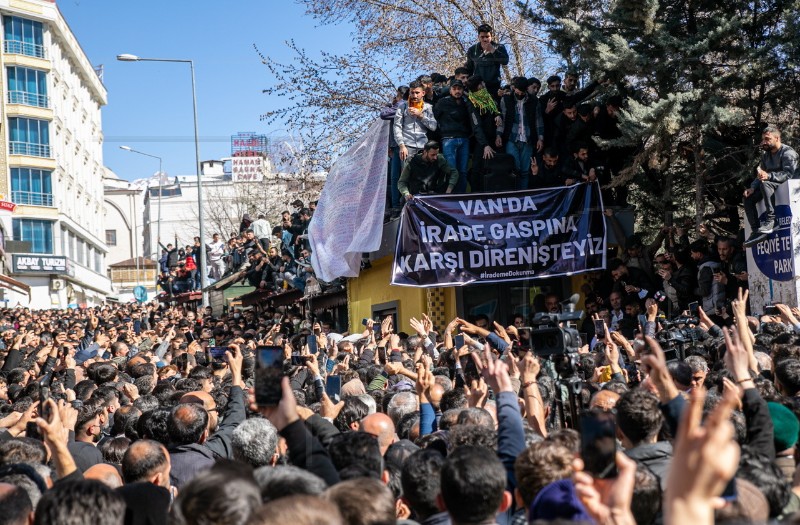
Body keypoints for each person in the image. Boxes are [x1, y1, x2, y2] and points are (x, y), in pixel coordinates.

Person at [744, 125, 799, 246]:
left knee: (766, 184)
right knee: (748, 197)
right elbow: (761, 175)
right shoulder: (766, 156)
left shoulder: (788, 153)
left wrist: (769, 176)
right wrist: (752, 187)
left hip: (787, 188)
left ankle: (771, 220)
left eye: (767, 139)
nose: (764, 142)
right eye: (763, 139)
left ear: (777, 138)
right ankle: (757, 231)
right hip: (770, 186)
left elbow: (788, 174)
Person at [498, 77, 544, 190]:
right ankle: (513, 194)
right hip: (511, 138)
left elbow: (538, 121)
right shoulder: (506, 99)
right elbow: (502, 119)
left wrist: (540, 138)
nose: (519, 93)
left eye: (522, 91)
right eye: (518, 90)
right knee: (514, 168)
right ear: (514, 88)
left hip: (528, 139)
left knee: (524, 170)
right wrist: (498, 134)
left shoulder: (534, 100)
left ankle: (523, 194)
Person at [394, 80, 438, 166]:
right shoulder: (402, 107)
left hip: (423, 147)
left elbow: (433, 126)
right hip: (407, 147)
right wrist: (402, 146)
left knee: (423, 177)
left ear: (423, 93)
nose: (414, 95)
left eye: (417, 93)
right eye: (412, 93)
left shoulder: (428, 107)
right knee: (407, 177)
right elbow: (397, 127)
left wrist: (421, 116)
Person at [465, 23, 510, 100]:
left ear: (491, 36)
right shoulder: (472, 50)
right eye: (482, 37)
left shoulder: (499, 47)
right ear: (478, 37)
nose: (485, 39)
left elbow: (505, 61)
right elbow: (469, 69)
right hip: (478, 87)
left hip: (494, 86)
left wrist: (493, 50)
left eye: (487, 37)